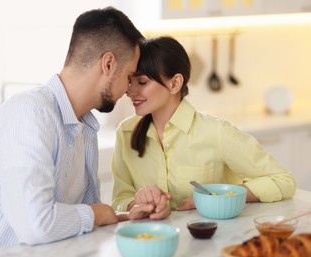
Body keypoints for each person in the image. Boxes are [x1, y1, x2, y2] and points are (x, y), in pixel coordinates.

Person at [0, 6, 154, 257]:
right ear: (107, 64)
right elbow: (36, 224)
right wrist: (96, 213)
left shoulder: (85, 126)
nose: (129, 89)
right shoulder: (31, 113)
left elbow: (78, 218)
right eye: (129, 76)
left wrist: (123, 216)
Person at [111, 36, 296, 220]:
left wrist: (219, 195)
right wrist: (138, 203)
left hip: (208, 242)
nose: (130, 91)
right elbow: (119, 200)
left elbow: (283, 181)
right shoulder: (125, 133)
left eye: (142, 82)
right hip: (151, 243)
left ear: (174, 83)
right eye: (130, 81)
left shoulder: (216, 132)